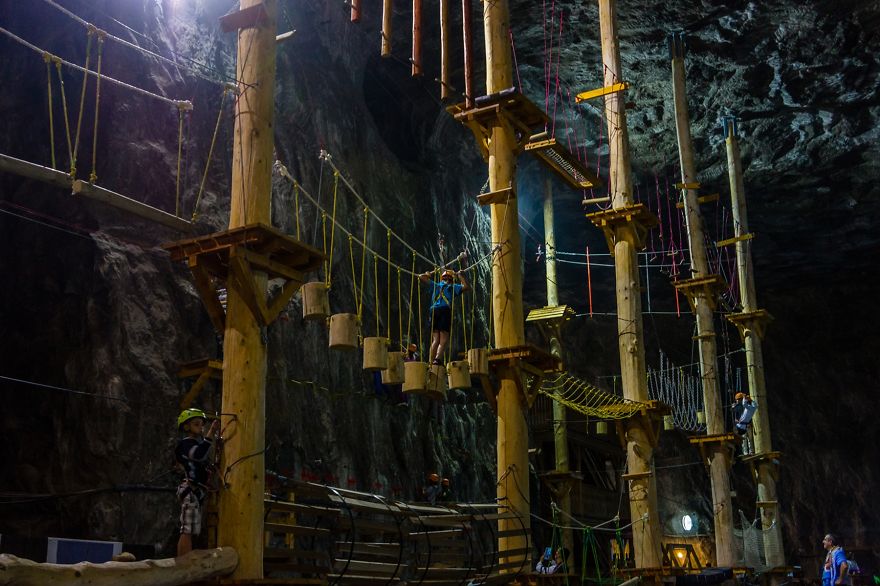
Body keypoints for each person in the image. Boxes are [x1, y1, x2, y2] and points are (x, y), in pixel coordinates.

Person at [175, 408, 219, 556]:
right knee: (187, 529)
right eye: (196, 424)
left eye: (202, 424)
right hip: (190, 489)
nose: (201, 427)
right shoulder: (185, 444)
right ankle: (183, 564)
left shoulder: (193, 444)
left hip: (196, 491)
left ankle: (186, 561)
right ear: (186, 427)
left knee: (192, 529)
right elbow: (199, 454)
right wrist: (211, 433)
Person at [419, 268, 469, 365]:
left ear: (442, 278)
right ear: (451, 279)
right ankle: (437, 359)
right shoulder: (453, 287)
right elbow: (466, 287)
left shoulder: (436, 285)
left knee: (435, 339)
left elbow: (421, 277)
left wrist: (428, 273)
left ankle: (430, 362)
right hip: (444, 311)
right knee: (444, 339)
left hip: (433, 311)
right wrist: (460, 276)